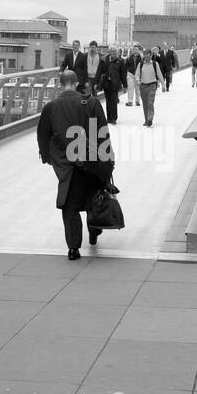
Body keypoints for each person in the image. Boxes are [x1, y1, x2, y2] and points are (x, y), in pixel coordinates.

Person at [37, 71, 115, 260]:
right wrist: (108, 159)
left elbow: (43, 136)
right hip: (91, 162)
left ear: (59, 84)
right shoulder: (90, 103)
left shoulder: (51, 107)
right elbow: (102, 133)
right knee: (92, 198)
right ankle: (94, 233)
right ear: (78, 83)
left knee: (69, 206)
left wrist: (49, 158)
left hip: (66, 165)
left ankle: (73, 248)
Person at [99, 46, 126, 125]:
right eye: (112, 51)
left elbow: (123, 74)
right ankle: (109, 118)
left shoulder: (120, 61)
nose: (114, 53)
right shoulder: (104, 60)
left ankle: (114, 118)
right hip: (106, 83)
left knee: (114, 101)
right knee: (108, 101)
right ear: (109, 52)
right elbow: (99, 71)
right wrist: (96, 83)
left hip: (115, 83)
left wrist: (125, 85)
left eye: (115, 51)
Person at [135, 48, 161, 127]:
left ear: (151, 56)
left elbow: (159, 74)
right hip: (143, 85)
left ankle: (150, 119)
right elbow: (137, 74)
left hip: (152, 85)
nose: (146, 59)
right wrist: (137, 80)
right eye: (145, 57)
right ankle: (146, 120)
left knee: (150, 103)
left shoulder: (155, 64)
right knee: (145, 104)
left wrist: (163, 84)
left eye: (148, 57)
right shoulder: (141, 64)